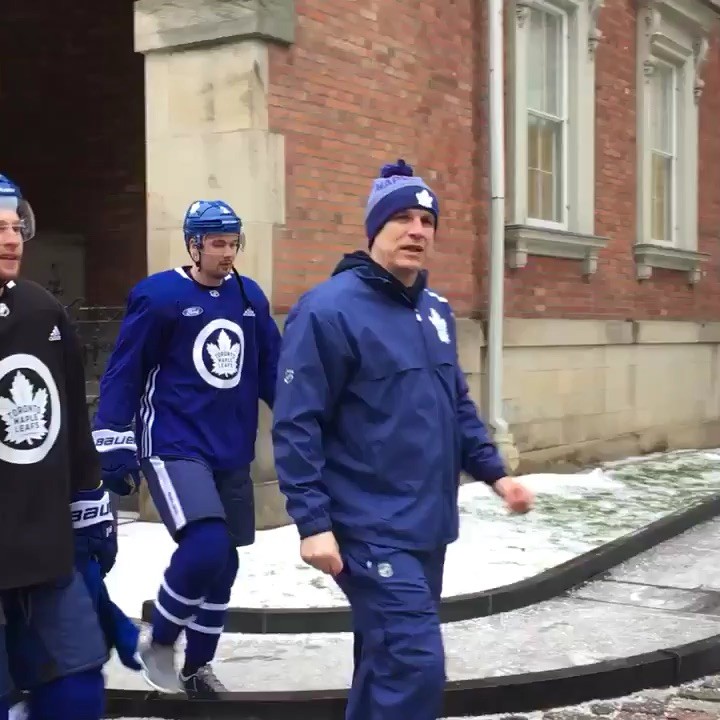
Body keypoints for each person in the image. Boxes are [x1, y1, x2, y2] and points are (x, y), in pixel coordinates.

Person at [271, 160, 535, 720]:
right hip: (367, 526)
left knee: (385, 658)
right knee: (414, 663)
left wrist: (496, 474)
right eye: (402, 218)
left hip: (426, 524)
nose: (417, 231)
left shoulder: (434, 311)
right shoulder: (327, 310)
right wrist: (312, 523)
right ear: (375, 228)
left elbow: (455, 405)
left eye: (427, 220)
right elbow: (297, 422)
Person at [93, 199, 281, 697]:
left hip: (230, 447)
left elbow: (272, 369)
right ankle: (160, 640)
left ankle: (197, 668)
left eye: (233, 242)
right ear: (194, 245)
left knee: (225, 563)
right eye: (217, 243)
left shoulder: (249, 296)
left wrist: (307, 418)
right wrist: (112, 440)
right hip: (173, 442)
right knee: (206, 545)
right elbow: (125, 369)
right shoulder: (159, 297)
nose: (227, 252)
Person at [0, 173, 123, 719]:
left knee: (77, 691)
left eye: (16, 227)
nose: (11, 240)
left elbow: (71, 417)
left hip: (45, 550)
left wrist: (90, 503)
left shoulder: (41, 310)